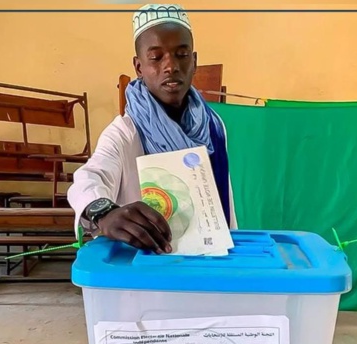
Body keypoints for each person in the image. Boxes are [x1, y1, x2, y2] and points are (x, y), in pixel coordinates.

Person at [67, 4, 236, 254]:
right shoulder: (125, 132)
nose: (171, 66)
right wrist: (105, 212)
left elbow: (223, 200)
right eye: (156, 58)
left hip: (211, 258)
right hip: (150, 265)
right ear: (139, 67)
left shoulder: (214, 125)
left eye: (181, 54)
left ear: (194, 60)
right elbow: (89, 177)